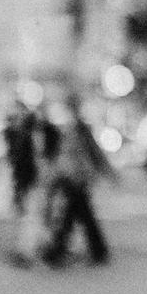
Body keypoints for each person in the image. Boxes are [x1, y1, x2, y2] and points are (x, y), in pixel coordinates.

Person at [37, 103, 110, 268]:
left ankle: (58, 252)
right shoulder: (72, 130)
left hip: (75, 177)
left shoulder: (78, 130)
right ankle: (95, 251)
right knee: (79, 215)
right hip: (73, 177)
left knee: (75, 215)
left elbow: (91, 154)